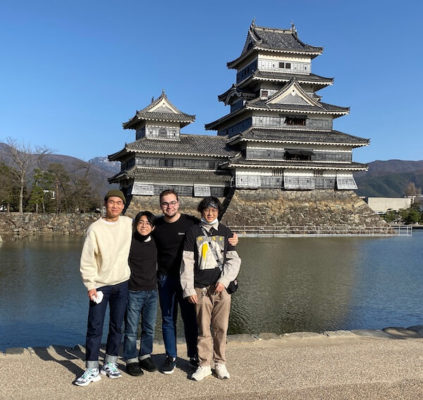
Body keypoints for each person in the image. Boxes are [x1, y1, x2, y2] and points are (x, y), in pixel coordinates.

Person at [153, 189, 238, 374]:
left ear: (178, 203)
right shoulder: (157, 225)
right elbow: (143, 240)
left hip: (205, 282)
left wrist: (233, 239)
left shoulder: (194, 224)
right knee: (169, 319)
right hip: (171, 278)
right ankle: (174, 357)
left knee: (196, 320)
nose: (169, 206)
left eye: (173, 202)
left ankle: (201, 357)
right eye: (165, 203)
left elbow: (231, 255)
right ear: (161, 206)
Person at [180, 196, 241, 382]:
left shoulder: (225, 231)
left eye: (214, 210)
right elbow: (187, 262)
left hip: (220, 288)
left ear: (218, 212)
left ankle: (220, 362)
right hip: (200, 288)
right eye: (206, 210)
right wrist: (188, 289)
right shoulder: (193, 232)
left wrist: (224, 280)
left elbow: (234, 260)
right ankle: (204, 364)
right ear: (201, 211)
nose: (210, 213)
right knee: (203, 328)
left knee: (221, 328)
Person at [75, 190, 132, 386]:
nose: (115, 206)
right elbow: (87, 260)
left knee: (117, 325)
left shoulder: (128, 224)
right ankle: (91, 368)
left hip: (122, 282)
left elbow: (151, 226)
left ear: (123, 206)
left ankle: (111, 362)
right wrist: (90, 285)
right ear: (105, 204)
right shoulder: (95, 229)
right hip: (100, 285)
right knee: (95, 326)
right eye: (111, 202)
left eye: (119, 202)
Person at [123, 211, 158, 376]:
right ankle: (131, 358)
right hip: (133, 291)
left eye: (147, 223)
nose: (144, 226)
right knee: (131, 328)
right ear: (136, 224)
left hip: (152, 291)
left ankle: (145, 355)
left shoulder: (156, 242)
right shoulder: (128, 242)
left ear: (153, 227)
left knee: (149, 327)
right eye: (141, 222)